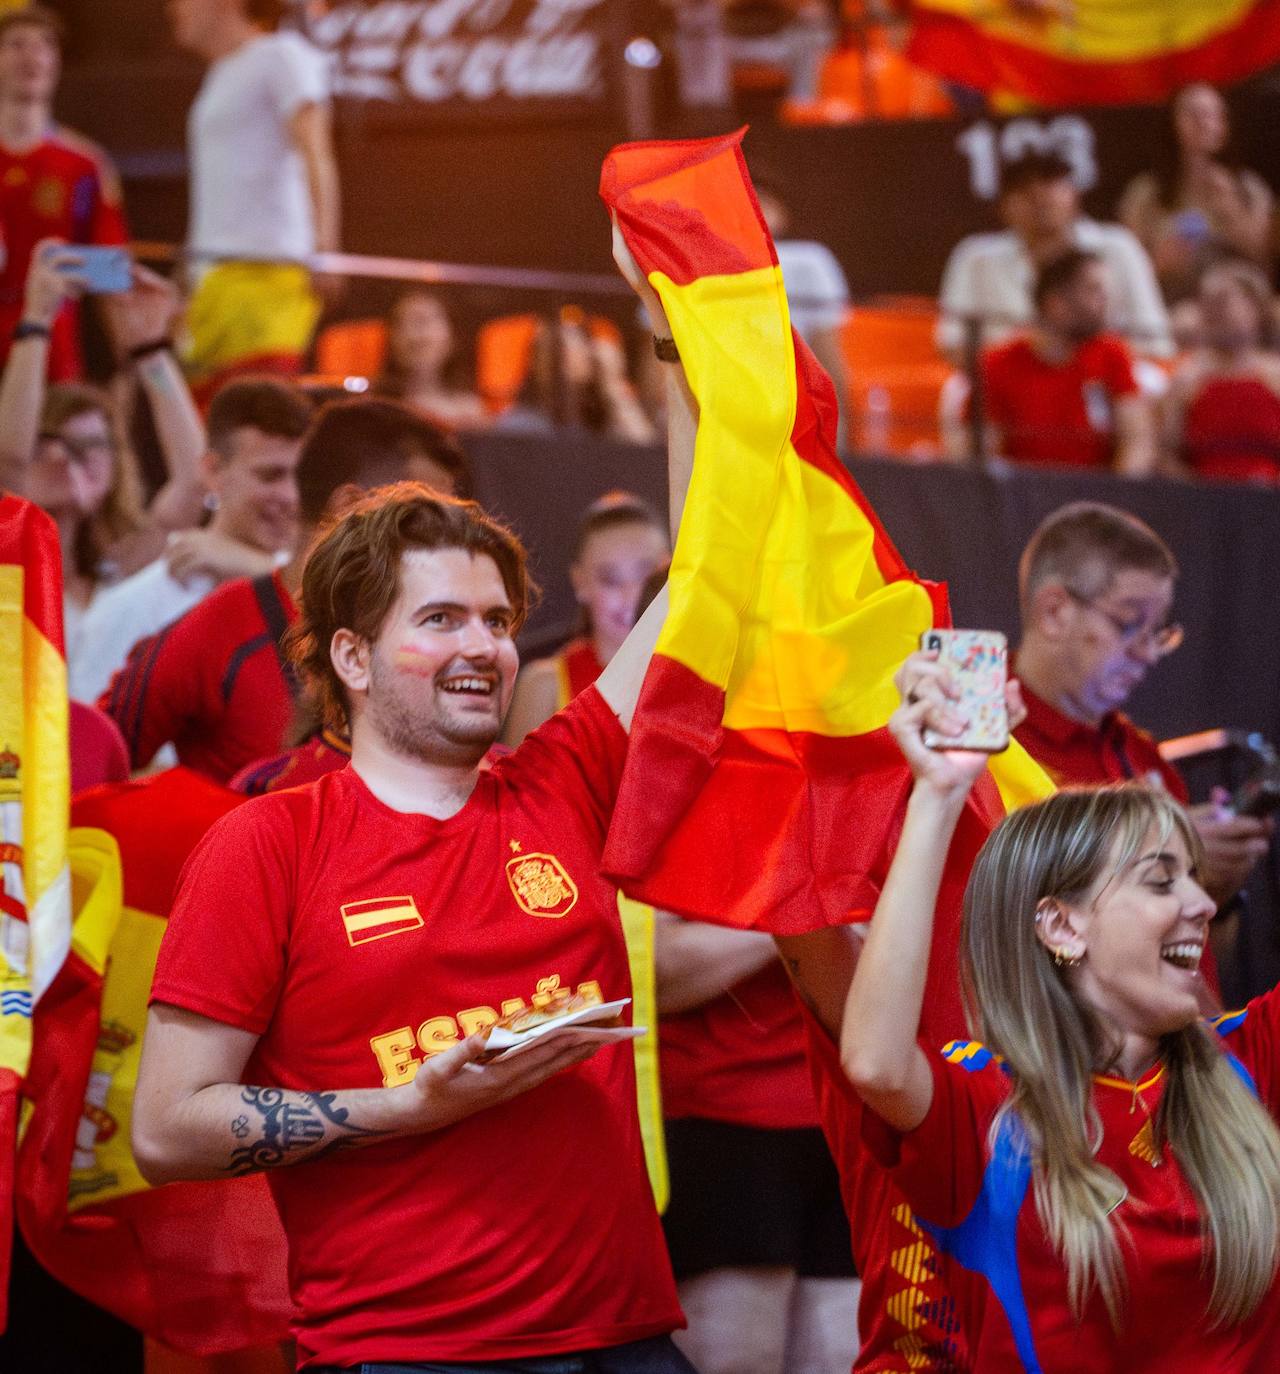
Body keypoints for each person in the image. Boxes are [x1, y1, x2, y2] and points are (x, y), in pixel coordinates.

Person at [130, 236, 702, 1371]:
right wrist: (400, 1109)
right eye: (438, 620)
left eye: (494, 620)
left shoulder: (559, 778)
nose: (481, 645)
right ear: (350, 655)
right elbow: (165, 1127)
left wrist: (673, 341)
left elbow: (695, 588)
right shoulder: (269, 843)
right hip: (407, 1349)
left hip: (626, 1336)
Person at [840, 649, 1280, 1370]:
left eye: (1196, 880)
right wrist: (938, 794)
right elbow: (876, 1063)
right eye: (1160, 882)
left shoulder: (1251, 1059)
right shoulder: (990, 1111)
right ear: (1062, 927)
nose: (1202, 906)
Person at [99, 398, 470, 784]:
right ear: (351, 507)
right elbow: (79, 771)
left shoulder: (446, 641)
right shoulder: (218, 632)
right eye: (426, 515)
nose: (450, 537)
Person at [1011, 502, 1272, 923]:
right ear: (1054, 611)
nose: (1149, 653)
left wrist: (1211, 882)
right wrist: (1166, 854)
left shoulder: (1144, 757)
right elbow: (998, 915)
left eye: (1159, 633)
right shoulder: (984, 746)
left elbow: (1194, 955)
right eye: (1130, 624)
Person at [655, 916, 861, 1374]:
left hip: (855, 1112)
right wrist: (807, 910)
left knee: (849, 1357)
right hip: (721, 1116)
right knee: (736, 1358)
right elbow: (653, 972)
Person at [0, 242, 210, 675]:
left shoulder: (119, 570)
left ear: (117, 468)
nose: (66, 458)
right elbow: (8, 462)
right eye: (49, 440)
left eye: (92, 446)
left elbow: (195, 481)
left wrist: (151, 348)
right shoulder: (10, 561)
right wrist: (36, 321)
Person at [72, 376, 313, 703]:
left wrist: (258, 571)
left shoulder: (319, 592)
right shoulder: (134, 608)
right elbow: (92, 739)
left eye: (301, 477)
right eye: (269, 475)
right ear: (213, 471)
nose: (290, 495)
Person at [170, 0, 339, 402]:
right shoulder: (220, 73)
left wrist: (326, 251)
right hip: (213, 283)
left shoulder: (282, 54)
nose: (172, 9)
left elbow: (316, 150)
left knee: (254, 424)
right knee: (209, 432)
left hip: (268, 274)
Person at [937, 151, 1172, 364]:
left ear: (1075, 195)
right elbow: (953, 344)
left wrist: (1075, 364)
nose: (1038, 196)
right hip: (1009, 382)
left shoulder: (1118, 246)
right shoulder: (975, 256)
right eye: (1023, 188)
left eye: (1050, 182)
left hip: (1104, 379)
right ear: (1002, 206)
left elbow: (1156, 342)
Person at [0, 5, 127, 381]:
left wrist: (130, 364)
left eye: (44, 46)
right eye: (16, 45)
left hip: (52, 352)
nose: (32, 57)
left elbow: (111, 273)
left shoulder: (84, 164)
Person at [503, 491, 670, 748]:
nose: (632, 595)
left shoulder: (701, 676)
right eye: (611, 580)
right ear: (580, 582)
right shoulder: (545, 684)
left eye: (646, 576)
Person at [968, 249, 1157, 474]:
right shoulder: (997, 363)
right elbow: (979, 452)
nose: (1105, 300)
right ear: (1055, 303)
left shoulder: (1111, 353)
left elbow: (1137, 442)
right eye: (1093, 290)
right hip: (1023, 496)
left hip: (1097, 498)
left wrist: (1115, 496)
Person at [1118, 83, 1274, 305]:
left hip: (1242, 307)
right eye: (1193, 114)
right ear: (1172, 123)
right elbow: (1125, 272)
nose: (1203, 123)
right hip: (1174, 305)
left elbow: (1264, 262)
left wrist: (1231, 210)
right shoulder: (1144, 194)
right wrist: (1160, 263)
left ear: (1224, 125)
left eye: (1212, 114)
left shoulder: (1250, 188)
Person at [1162, 259, 1280, 484]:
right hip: (1205, 500)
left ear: (1254, 307)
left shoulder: (1276, 376)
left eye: (1223, 302)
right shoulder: (1186, 379)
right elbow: (1168, 455)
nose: (1215, 312)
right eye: (1207, 303)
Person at [499, 308, 658, 444]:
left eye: (577, 343)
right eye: (555, 350)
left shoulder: (607, 419)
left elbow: (647, 456)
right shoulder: (521, 423)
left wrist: (613, 383)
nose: (566, 357)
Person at [375, 290, 488, 431]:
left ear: (452, 336)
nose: (412, 334)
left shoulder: (469, 410)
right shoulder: (374, 407)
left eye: (423, 321)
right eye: (400, 323)